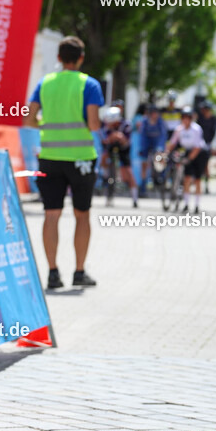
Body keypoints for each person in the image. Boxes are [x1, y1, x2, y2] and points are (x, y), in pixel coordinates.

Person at [25, 35, 102, 289]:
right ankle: (79, 272)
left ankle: (52, 273)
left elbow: (29, 119)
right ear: (81, 58)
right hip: (81, 159)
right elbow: (94, 124)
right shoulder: (89, 84)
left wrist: (47, 125)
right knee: (82, 215)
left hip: (49, 157)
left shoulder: (45, 83)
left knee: (51, 214)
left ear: (58, 58)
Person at [165, 108, 207, 212]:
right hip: (188, 151)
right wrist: (165, 153)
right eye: (183, 118)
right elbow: (172, 142)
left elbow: (197, 147)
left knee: (197, 179)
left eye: (187, 118)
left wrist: (188, 159)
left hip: (199, 153)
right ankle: (186, 203)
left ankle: (197, 205)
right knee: (187, 178)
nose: (185, 120)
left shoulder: (196, 129)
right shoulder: (179, 129)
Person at [100, 106, 139, 206]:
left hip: (123, 149)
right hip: (111, 147)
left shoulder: (126, 124)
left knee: (128, 172)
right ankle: (105, 175)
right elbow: (105, 140)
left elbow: (126, 141)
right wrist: (112, 137)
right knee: (104, 157)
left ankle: (135, 198)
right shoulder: (106, 125)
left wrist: (118, 136)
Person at [138, 104, 168, 192]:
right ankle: (143, 185)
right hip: (147, 142)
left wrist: (160, 148)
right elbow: (142, 135)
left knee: (161, 157)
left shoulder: (160, 122)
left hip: (157, 142)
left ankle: (161, 177)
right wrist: (142, 148)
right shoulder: (145, 121)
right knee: (144, 164)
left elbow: (163, 135)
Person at [196, 101, 216, 194]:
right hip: (199, 144)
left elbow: (215, 133)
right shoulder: (199, 118)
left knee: (206, 165)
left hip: (208, 144)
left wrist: (211, 145)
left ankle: (206, 185)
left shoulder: (213, 119)